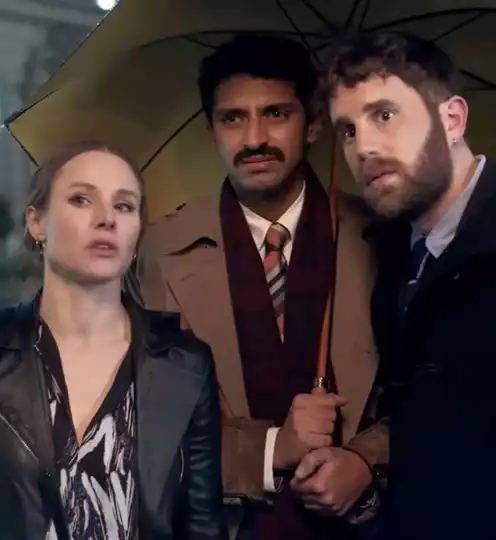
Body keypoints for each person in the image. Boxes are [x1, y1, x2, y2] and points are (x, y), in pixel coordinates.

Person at [138, 34, 386, 540]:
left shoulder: (382, 235)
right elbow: (148, 422)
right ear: (211, 129)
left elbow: (430, 392)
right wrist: (274, 448)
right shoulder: (160, 252)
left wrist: (364, 460)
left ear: (313, 123)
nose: (254, 139)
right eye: (233, 118)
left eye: (275, 114)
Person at [323, 31, 496, 540]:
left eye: (384, 115)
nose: (363, 147)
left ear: (453, 119)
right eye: (347, 130)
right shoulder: (389, 254)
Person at [0, 140, 226, 540]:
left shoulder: (184, 363)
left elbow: (203, 525)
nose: (106, 219)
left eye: (124, 206)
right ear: (36, 222)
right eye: (81, 199)